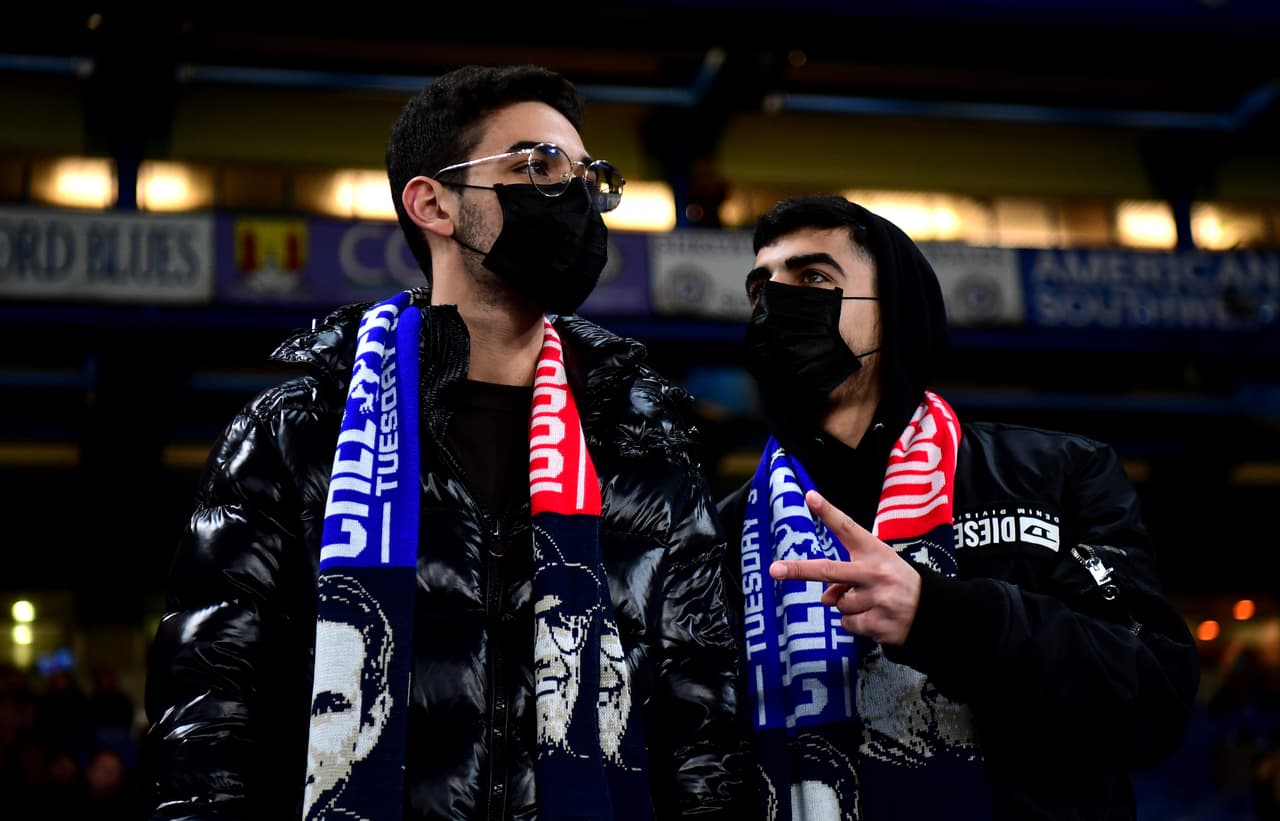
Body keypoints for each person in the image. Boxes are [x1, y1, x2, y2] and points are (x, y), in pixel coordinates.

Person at [144, 63, 749, 820]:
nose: (573, 195)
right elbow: (211, 710)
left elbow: (703, 732)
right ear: (432, 202)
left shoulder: (644, 446)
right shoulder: (298, 430)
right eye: (536, 164)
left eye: (585, 174)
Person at [716, 194, 1201, 820]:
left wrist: (939, 616)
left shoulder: (1054, 475)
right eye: (762, 287)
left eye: (812, 278)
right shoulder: (724, 529)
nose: (775, 302)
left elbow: (1151, 695)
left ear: (893, 312)